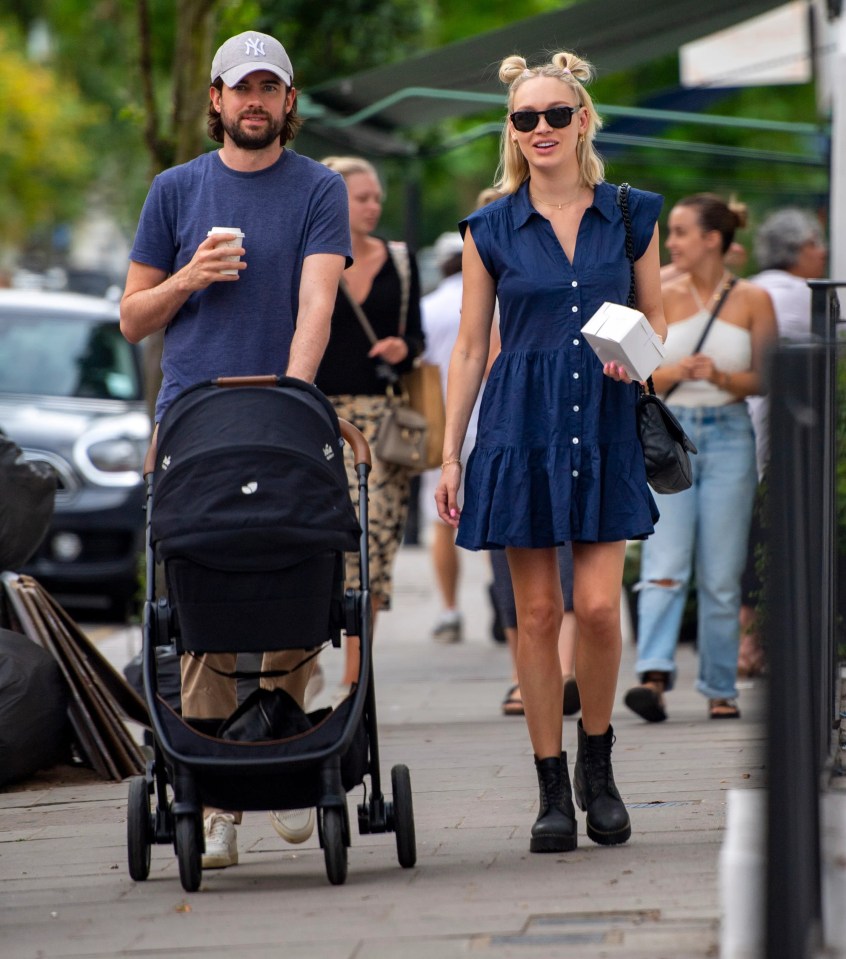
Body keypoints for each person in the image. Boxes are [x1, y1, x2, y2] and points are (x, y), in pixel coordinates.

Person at [119, 30, 351, 869]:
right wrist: (189, 277)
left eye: (269, 87)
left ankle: (285, 763)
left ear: (289, 102)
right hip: (189, 429)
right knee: (202, 600)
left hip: (280, 424)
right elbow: (133, 316)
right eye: (238, 87)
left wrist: (288, 406)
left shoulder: (319, 188)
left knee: (291, 578)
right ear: (215, 101)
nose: (254, 101)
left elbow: (317, 306)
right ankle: (216, 800)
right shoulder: (175, 191)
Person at [436, 51, 667, 853]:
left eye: (555, 115)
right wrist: (452, 451)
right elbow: (470, 347)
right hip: (519, 425)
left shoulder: (631, 213)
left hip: (603, 420)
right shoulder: (490, 226)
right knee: (536, 613)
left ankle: (596, 766)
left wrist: (631, 355)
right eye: (525, 117)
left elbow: (658, 324)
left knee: (599, 609)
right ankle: (549, 786)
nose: (541, 128)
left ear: (583, 122)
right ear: (511, 129)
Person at [624, 194, 777, 724]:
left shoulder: (753, 299)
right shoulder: (659, 292)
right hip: (674, 434)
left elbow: (770, 375)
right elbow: (635, 371)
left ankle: (719, 685)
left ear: (713, 239)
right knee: (665, 563)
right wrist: (674, 373)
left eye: (683, 232)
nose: (672, 243)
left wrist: (721, 377)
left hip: (731, 432)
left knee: (721, 571)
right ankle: (654, 674)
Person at [314, 155, 424, 702]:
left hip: (382, 423)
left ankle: (356, 679)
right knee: (317, 546)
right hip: (315, 416)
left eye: (377, 196)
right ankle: (306, 665)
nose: (374, 205)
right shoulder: (309, 255)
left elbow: (419, 339)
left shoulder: (400, 261)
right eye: (362, 197)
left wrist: (404, 348)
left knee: (372, 546)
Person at [737, 208, 827, 677]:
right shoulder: (801, 295)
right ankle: (755, 649)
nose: (824, 252)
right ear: (800, 249)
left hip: (739, 435)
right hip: (781, 444)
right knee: (772, 541)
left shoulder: (748, 288)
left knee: (745, 540)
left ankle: (743, 647)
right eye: (817, 244)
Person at [419, 232, 475, 644]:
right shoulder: (493, 305)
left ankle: (449, 608)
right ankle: (503, 605)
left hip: (443, 428)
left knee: (443, 523)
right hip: (491, 421)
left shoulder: (426, 309)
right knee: (500, 521)